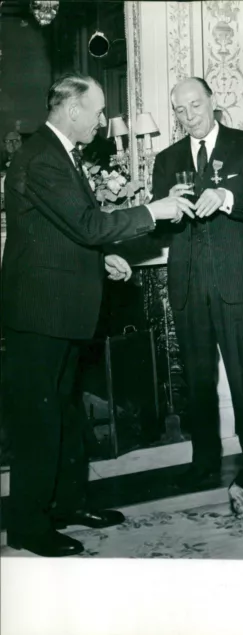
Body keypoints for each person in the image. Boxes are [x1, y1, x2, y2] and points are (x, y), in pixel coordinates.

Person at [2, 72, 195, 557]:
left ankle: (66, 504)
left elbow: (64, 230)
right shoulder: (43, 157)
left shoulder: (59, 153)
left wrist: (98, 258)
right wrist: (155, 211)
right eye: (96, 111)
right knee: (39, 422)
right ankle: (27, 525)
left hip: (58, 305)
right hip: (40, 312)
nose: (102, 122)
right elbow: (88, 224)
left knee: (64, 413)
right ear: (71, 111)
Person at [151, 77, 243, 489]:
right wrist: (167, 208)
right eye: (180, 110)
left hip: (236, 285)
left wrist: (227, 200)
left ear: (212, 101)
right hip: (189, 286)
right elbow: (157, 232)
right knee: (197, 381)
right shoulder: (166, 159)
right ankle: (204, 460)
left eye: (195, 105)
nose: (189, 116)